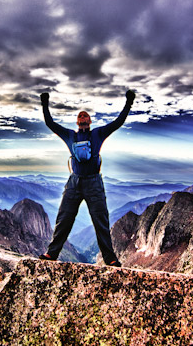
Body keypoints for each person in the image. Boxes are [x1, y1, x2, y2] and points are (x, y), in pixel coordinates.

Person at [38, 89, 136, 267]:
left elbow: (118, 122)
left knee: (100, 220)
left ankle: (110, 258)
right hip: (74, 182)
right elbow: (50, 123)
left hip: (93, 182)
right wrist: (45, 103)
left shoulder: (98, 133)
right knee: (64, 218)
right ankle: (52, 253)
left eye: (86, 115)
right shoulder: (70, 135)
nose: (82, 116)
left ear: (89, 121)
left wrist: (128, 102)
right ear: (77, 122)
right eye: (80, 115)